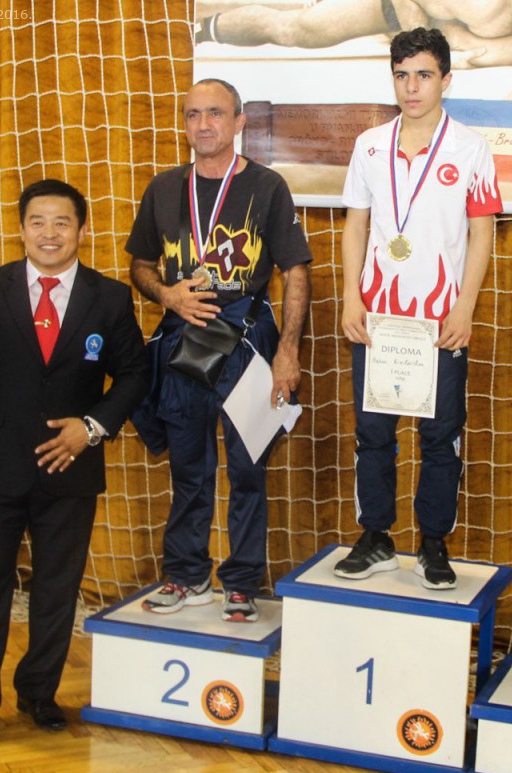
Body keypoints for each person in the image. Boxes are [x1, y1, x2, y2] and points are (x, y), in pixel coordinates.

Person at [0, 179, 148, 754]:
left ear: (82, 230)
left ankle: (39, 693)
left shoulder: (109, 298)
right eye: (38, 221)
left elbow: (135, 374)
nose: (49, 233)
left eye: (62, 222)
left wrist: (92, 427)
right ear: (21, 228)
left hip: (70, 471)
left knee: (57, 590)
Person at [127, 78, 312, 622]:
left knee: (248, 470)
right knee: (189, 467)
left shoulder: (266, 186)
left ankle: (242, 583)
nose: (203, 124)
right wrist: (167, 294)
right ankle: (186, 575)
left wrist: (288, 351)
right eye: (192, 114)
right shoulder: (164, 188)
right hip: (186, 341)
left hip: (248, 340)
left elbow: (295, 272)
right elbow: (140, 265)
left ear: (238, 123)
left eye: (215, 113)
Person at [333, 27, 502, 589]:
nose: (412, 87)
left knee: (440, 435)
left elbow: (482, 233)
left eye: (424, 75)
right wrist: (352, 296)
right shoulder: (369, 145)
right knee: (373, 433)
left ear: (446, 80)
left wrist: (465, 307)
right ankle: (376, 537)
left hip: (439, 321)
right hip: (377, 319)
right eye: (402, 75)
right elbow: (355, 225)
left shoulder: (471, 149)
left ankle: (433, 543)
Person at [195, 0, 512, 68]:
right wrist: (420, 29)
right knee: (300, 28)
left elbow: (477, 52)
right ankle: (201, 30)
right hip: (395, 4)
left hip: (435, 18)